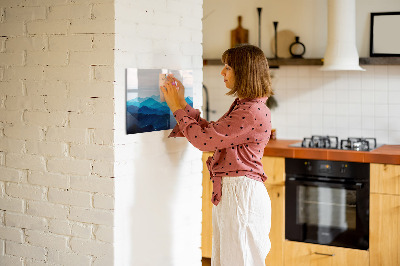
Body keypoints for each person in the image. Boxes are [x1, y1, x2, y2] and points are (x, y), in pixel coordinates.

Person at [161, 44, 273, 266]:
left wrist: (176, 107)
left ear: (244, 72)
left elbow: (204, 141)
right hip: (236, 193)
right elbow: (212, 133)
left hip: (241, 195)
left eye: (228, 67)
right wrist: (182, 103)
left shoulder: (250, 111)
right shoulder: (246, 106)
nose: (222, 72)